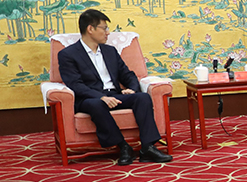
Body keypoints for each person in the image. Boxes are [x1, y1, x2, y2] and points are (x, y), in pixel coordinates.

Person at [57, 9, 173, 166]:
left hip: (115, 94)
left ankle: (147, 147)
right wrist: (101, 97)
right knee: (97, 104)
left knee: (142, 97)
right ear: (90, 29)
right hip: (90, 98)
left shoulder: (110, 51)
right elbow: (75, 84)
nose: (108, 32)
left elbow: (128, 75)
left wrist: (132, 89)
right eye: (104, 28)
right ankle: (123, 147)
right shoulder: (68, 54)